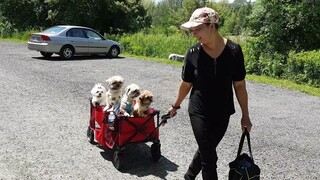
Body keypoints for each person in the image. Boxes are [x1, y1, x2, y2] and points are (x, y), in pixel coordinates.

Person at [168, 7, 253, 180]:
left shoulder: (234, 51)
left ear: (212, 26)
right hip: (199, 111)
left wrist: (245, 116)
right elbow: (186, 83)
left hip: (223, 112)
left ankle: (189, 176)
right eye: (192, 30)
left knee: (206, 149)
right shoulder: (193, 53)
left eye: (198, 29)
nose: (194, 33)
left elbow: (239, 86)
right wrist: (175, 106)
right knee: (209, 158)